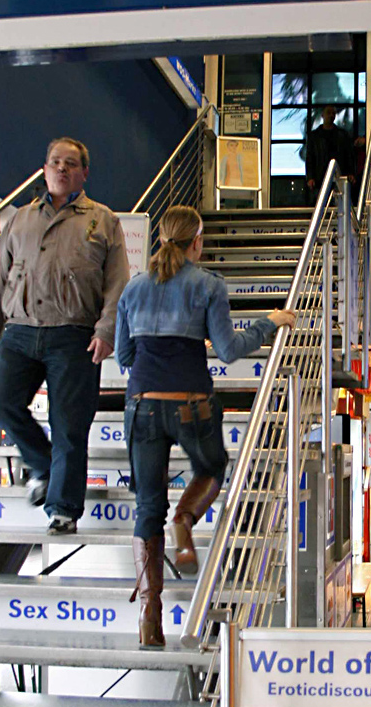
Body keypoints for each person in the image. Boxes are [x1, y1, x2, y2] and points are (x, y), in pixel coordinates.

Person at [115, 205, 295, 649]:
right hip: (191, 403)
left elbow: (124, 356)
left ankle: (150, 618)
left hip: (142, 405)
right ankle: (185, 519)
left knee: (146, 506)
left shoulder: (133, 288)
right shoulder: (208, 285)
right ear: (197, 242)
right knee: (212, 467)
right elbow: (230, 351)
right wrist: (269, 322)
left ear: (161, 239)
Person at [0, 137, 130, 535]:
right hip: (20, 332)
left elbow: (117, 284)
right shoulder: (20, 219)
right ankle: (42, 465)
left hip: (74, 336)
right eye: (55, 161)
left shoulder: (103, 221)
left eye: (71, 163)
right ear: (44, 169)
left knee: (70, 426)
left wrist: (107, 330)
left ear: (84, 173)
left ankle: (62, 510)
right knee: (1, 402)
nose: (62, 168)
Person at [306, 105, 356, 206]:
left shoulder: (342, 135)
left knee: (339, 203)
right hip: (320, 177)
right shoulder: (314, 136)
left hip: (337, 175)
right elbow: (310, 158)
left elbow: (348, 156)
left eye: (333, 113)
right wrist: (310, 177)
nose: (331, 115)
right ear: (322, 115)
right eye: (329, 113)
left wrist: (350, 173)